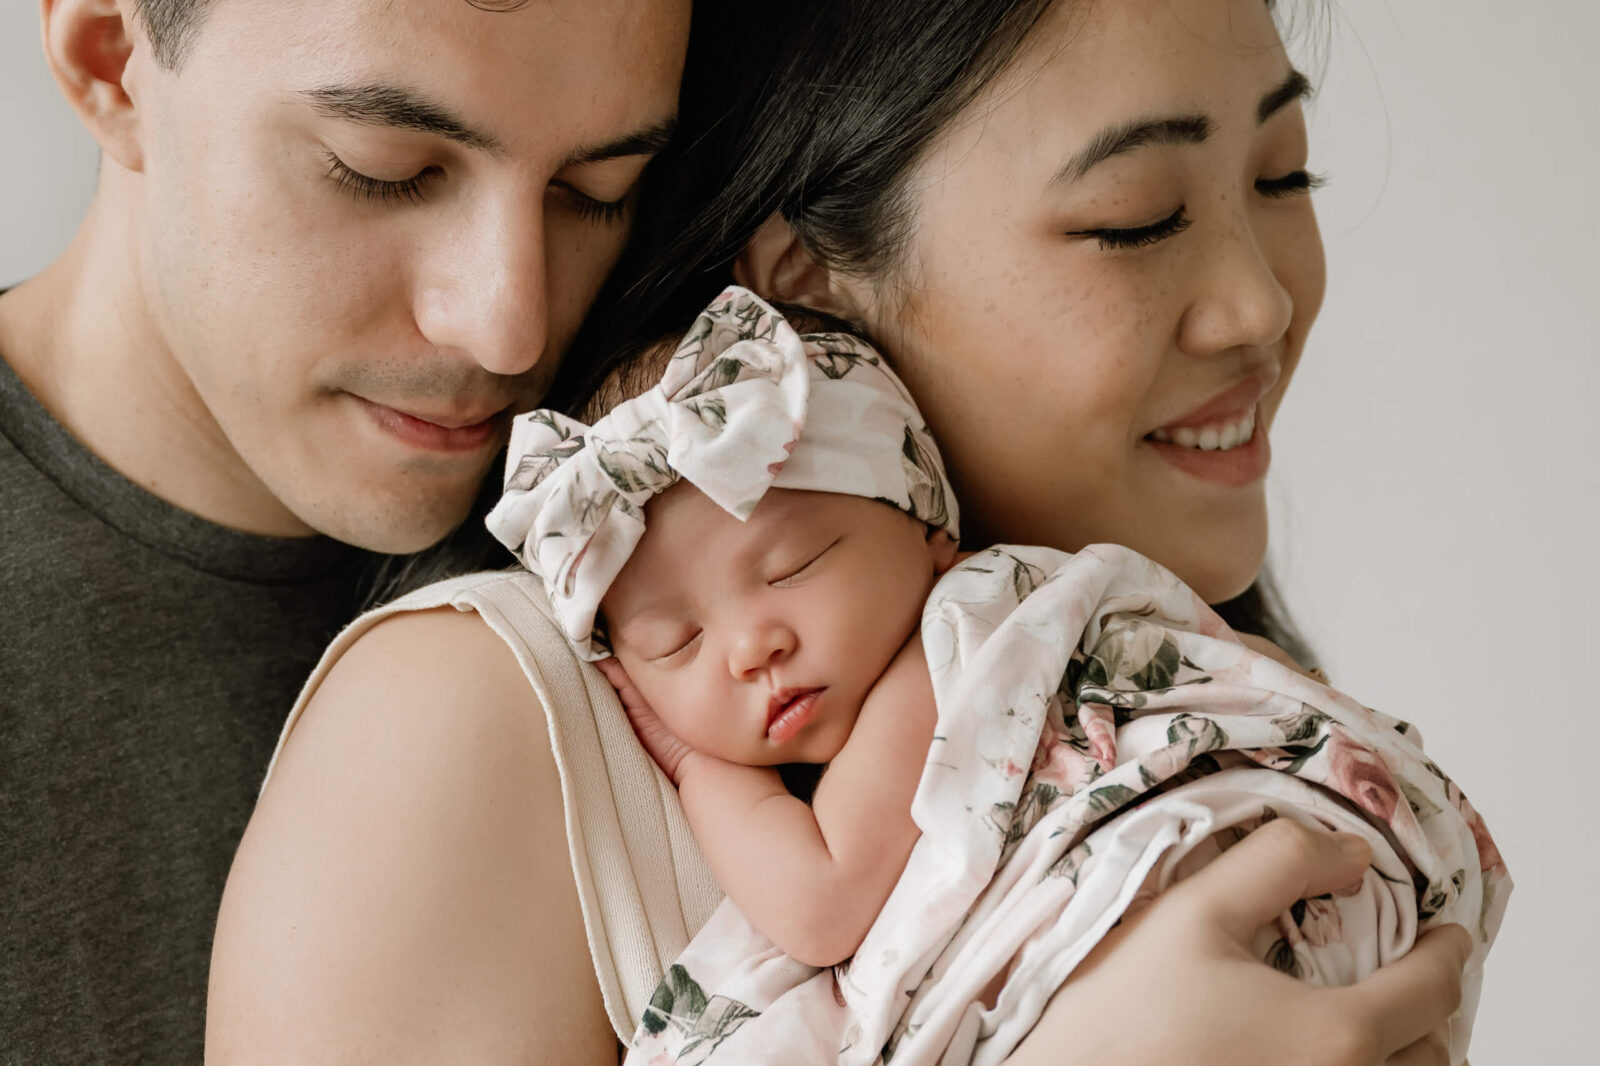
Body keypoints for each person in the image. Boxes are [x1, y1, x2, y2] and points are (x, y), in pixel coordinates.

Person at [209, 1, 1475, 1064]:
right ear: (802, 287)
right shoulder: (467, 726)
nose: (1257, 303)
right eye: (1133, 216)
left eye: (1280, 173)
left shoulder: (1153, 694)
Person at [490, 287, 1502, 1063]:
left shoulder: (958, 642)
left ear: (929, 527)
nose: (752, 646)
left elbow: (819, 900)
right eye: (674, 640)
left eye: (792, 567)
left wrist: (693, 760)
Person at [0, 0, 689, 1060]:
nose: (509, 325)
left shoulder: (691, 527)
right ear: (108, 55)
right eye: (383, 168)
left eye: (595, 193)